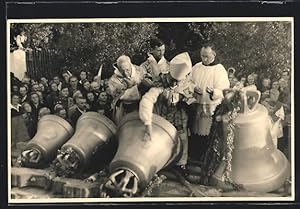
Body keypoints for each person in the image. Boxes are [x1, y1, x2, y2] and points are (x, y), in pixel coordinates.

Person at [139, 52, 194, 176]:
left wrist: (184, 101)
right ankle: (159, 163)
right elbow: (147, 100)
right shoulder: (160, 82)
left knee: (182, 138)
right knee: (161, 140)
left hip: (179, 117)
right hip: (162, 117)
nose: (174, 84)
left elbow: (190, 96)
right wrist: (147, 121)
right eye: (173, 81)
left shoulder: (186, 82)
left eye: (177, 81)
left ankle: (181, 164)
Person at [188, 43, 230, 161]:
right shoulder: (196, 67)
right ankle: (193, 157)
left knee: (207, 134)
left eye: (207, 56)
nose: (204, 59)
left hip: (210, 107)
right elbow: (189, 82)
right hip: (196, 105)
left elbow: (224, 89)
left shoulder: (219, 69)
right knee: (194, 132)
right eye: (202, 56)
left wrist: (213, 92)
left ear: (214, 55)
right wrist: (194, 88)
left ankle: (204, 160)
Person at [107, 55, 144, 124]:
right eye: (122, 71)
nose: (126, 73)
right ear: (118, 69)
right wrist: (135, 87)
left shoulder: (140, 70)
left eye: (127, 70)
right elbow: (122, 96)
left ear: (130, 65)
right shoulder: (113, 80)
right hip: (125, 110)